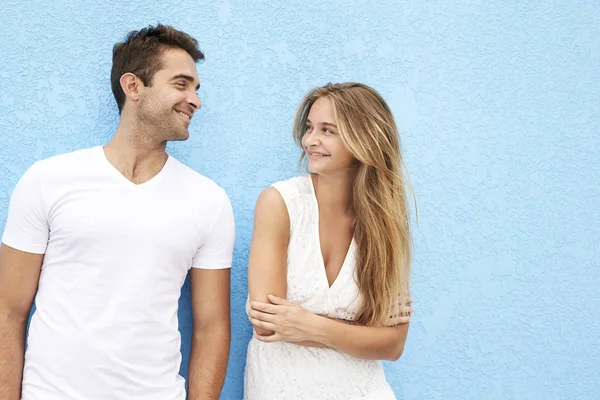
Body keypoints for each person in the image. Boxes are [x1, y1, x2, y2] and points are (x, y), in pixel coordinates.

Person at [0, 24, 234, 400]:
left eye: (196, 88)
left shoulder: (209, 201)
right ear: (133, 86)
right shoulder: (49, 180)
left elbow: (212, 328)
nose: (195, 100)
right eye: (181, 84)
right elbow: (7, 311)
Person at [245, 82, 414, 399]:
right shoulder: (279, 203)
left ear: (364, 140)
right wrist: (362, 331)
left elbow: (392, 345)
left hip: (362, 389)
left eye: (327, 130)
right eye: (309, 128)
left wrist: (306, 323)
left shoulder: (385, 221)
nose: (310, 140)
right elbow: (268, 325)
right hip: (281, 386)